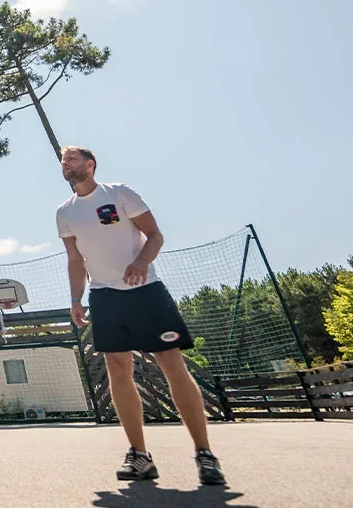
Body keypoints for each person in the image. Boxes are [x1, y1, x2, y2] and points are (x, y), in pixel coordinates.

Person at [56, 146, 225, 486]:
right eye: (63, 160)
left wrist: (142, 262)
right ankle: (139, 455)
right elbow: (76, 261)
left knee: (171, 365)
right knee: (117, 370)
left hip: (145, 291)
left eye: (72, 159)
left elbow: (155, 234)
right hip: (104, 296)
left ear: (90, 165)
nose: (66, 164)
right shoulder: (65, 213)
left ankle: (205, 454)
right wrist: (76, 298)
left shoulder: (119, 193)